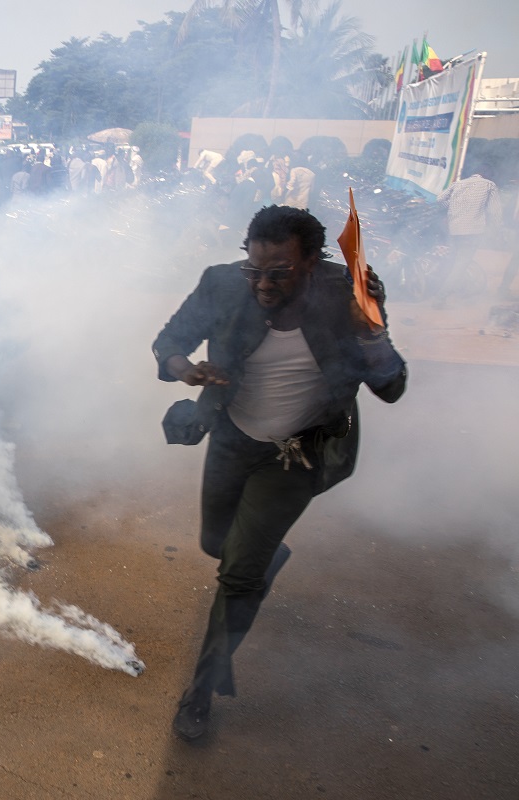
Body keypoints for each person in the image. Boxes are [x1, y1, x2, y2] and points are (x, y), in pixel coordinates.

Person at [152, 205, 407, 742]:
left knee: (240, 573)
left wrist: (368, 332)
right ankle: (263, 553)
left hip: (299, 453)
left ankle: (200, 692)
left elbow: (391, 386)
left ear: (312, 263)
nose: (263, 284)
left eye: (280, 272)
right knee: (214, 542)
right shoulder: (223, 284)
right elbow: (168, 343)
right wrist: (187, 370)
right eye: (255, 268)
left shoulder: (348, 296)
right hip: (230, 436)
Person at [433, 170, 502, 307]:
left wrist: (452, 207)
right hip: (472, 231)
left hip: (454, 229)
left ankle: (453, 290)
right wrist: (496, 230)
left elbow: (439, 199)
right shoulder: (489, 185)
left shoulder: (458, 184)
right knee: (461, 263)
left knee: (453, 261)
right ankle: (440, 297)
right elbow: (495, 212)